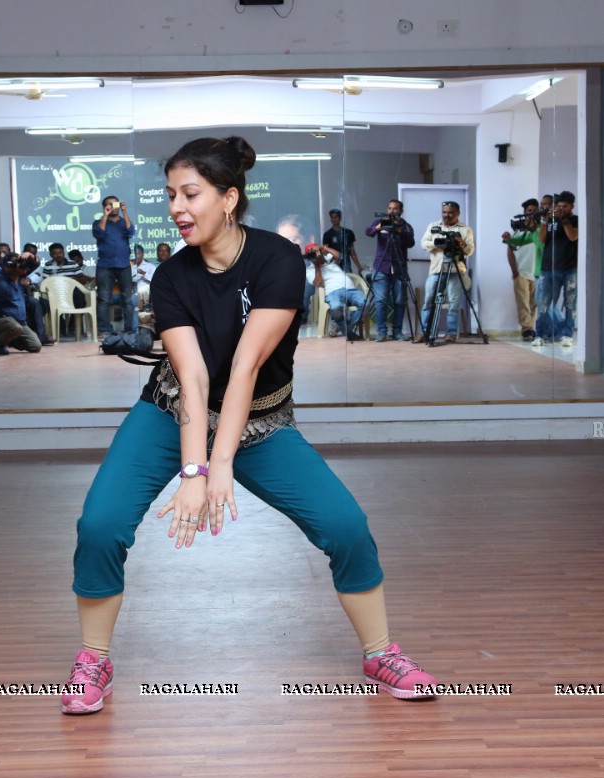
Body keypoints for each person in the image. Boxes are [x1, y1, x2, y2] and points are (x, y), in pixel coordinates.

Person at [62, 136, 437, 715]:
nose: (178, 208)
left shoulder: (278, 261)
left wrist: (223, 464)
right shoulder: (171, 277)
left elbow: (244, 369)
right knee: (100, 524)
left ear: (229, 198)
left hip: (262, 423)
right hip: (169, 414)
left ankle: (380, 650)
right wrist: (195, 467)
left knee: (346, 526)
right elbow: (192, 380)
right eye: (170, 197)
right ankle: (93, 659)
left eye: (192, 194)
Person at [417, 201, 475, 344]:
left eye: (450, 212)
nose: (446, 215)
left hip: (456, 270)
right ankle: (425, 332)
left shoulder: (465, 229)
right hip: (436, 270)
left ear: (458, 214)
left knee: (454, 303)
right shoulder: (434, 226)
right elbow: (423, 243)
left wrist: (462, 244)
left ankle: (451, 333)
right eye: (444, 212)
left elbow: (470, 251)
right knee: (429, 302)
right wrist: (438, 244)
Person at [533, 190, 579, 348]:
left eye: (565, 206)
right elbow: (542, 239)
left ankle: (568, 335)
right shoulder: (550, 221)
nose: (561, 209)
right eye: (558, 206)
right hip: (548, 268)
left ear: (572, 206)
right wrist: (545, 221)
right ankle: (539, 334)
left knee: (570, 303)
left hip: (569, 269)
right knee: (543, 303)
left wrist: (564, 220)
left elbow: (573, 236)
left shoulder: (576, 220)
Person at [365, 199, 415, 341]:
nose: (391, 211)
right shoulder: (380, 222)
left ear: (401, 211)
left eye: (395, 209)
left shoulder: (405, 226)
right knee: (381, 301)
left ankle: (397, 332)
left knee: (399, 301)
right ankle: (382, 332)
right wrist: (378, 228)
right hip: (381, 267)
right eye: (389, 208)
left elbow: (411, 243)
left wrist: (400, 232)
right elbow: (368, 232)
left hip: (399, 268)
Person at [92, 195, 137, 335]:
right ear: (104, 207)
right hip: (105, 265)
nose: (112, 207)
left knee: (128, 299)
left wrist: (124, 211)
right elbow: (99, 234)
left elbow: (131, 232)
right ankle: (105, 330)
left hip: (123, 264)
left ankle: (129, 330)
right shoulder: (98, 222)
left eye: (114, 204)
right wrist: (105, 216)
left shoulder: (124, 221)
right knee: (104, 299)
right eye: (109, 205)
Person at [501, 199, 543, 342]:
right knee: (523, 303)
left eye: (534, 210)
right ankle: (527, 329)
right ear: (524, 213)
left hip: (537, 272)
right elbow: (510, 250)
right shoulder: (518, 231)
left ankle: (531, 328)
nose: (532, 212)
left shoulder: (540, 230)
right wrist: (514, 271)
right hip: (521, 272)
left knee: (534, 303)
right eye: (529, 210)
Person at [306, 243, 366, 340]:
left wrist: (323, 248)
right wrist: (317, 266)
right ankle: (349, 332)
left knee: (365, 303)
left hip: (351, 290)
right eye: (312, 253)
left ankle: (346, 329)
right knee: (337, 310)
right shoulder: (309, 270)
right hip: (333, 292)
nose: (316, 255)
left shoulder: (329, 261)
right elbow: (318, 283)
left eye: (317, 252)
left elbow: (339, 256)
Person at [0, 253, 44, 355]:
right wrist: (16, 276)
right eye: (15, 264)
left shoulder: (19, 274)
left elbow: (36, 264)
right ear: (7, 265)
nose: (20, 267)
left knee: (35, 346)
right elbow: (10, 294)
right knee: (15, 327)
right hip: (1, 319)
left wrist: (31, 256)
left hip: (21, 322)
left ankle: (9, 339)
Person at [322, 208, 363, 274]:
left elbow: (352, 251)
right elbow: (325, 252)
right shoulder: (327, 235)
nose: (334, 219)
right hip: (333, 266)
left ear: (340, 218)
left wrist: (359, 267)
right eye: (332, 217)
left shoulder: (348, 233)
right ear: (330, 219)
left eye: (336, 217)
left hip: (346, 266)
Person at [131, 244, 155, 311]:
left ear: (142, 254)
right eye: (135, 254)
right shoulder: (132, 268)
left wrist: (144, 274)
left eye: (138, 253)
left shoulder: (150, 266)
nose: (137, 256)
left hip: (148, 295)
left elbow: (155, 281)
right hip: (134, 293)